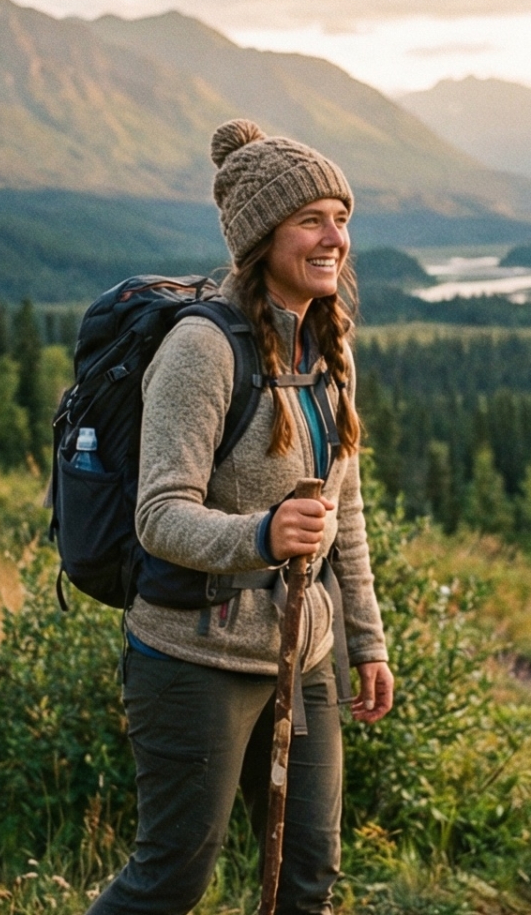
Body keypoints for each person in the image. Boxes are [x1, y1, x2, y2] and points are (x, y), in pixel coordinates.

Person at [87, 119, 394, 915]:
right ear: (262, 237)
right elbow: (161, 515)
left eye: (343, 218)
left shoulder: (330, 352)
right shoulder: (202, 348)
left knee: (308, 878)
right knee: (172, 878)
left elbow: (343, 516)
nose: (337, 238)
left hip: (306, 650)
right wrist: (261, 535)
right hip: (193, 655)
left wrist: (367, 640)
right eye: (313, 220)